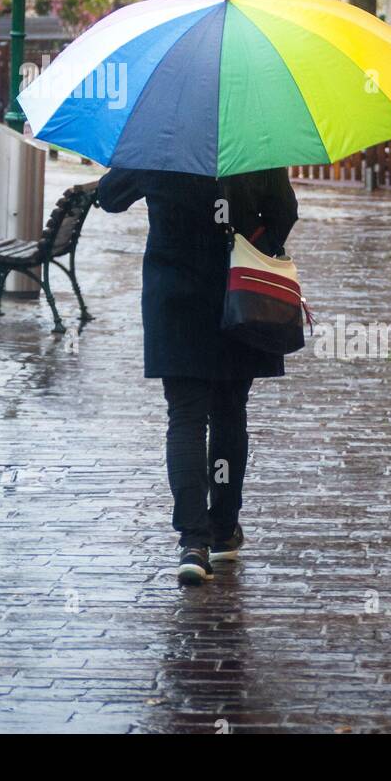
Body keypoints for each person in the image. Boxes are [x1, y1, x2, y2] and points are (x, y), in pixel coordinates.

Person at [97, 167, 299, 586]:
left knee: (186, 418)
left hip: (175, 298)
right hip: (237, 291)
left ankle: (193, 541)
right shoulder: (253, 139)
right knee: (229, 412)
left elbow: (110, 197)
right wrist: (253, 240)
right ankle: (223, 528)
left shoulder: (159, 140)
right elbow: (285, 211)